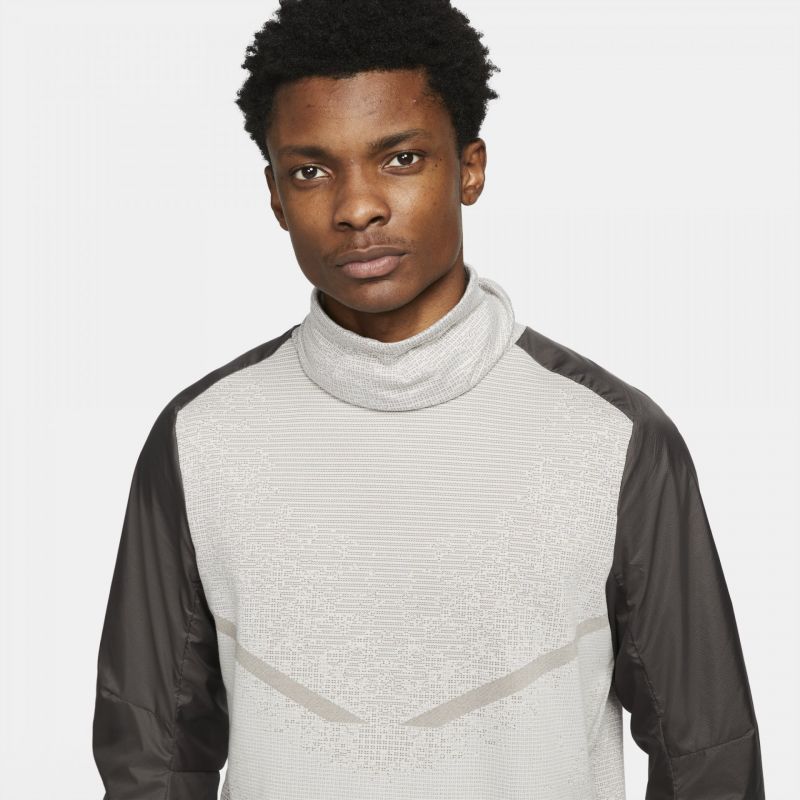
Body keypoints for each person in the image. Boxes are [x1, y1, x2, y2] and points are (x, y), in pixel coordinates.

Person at [91, 1, 765, 798]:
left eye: (401, 159)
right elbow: (153, 760)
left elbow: (707, 759)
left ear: (469, 168)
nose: (357, 207)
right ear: (274, 195)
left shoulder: (611, 438)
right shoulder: (199, 438)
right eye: (310, 171)